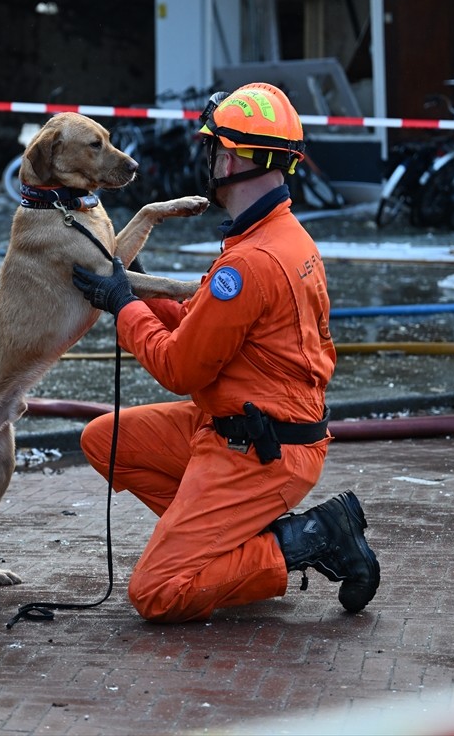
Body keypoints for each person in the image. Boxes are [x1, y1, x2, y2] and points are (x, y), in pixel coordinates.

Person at [71, 82, 379, 623]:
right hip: (242, 426)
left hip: (260, 450)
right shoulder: (277, 237)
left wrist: (123, 306)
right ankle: (235, 545)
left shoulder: (249, 262)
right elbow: (202, 324)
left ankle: (309, 539)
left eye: (212, 148)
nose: (208, 159)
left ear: (230, 159)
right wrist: (133, 284)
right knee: (105, 439)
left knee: (158, 591)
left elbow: (179, 367)